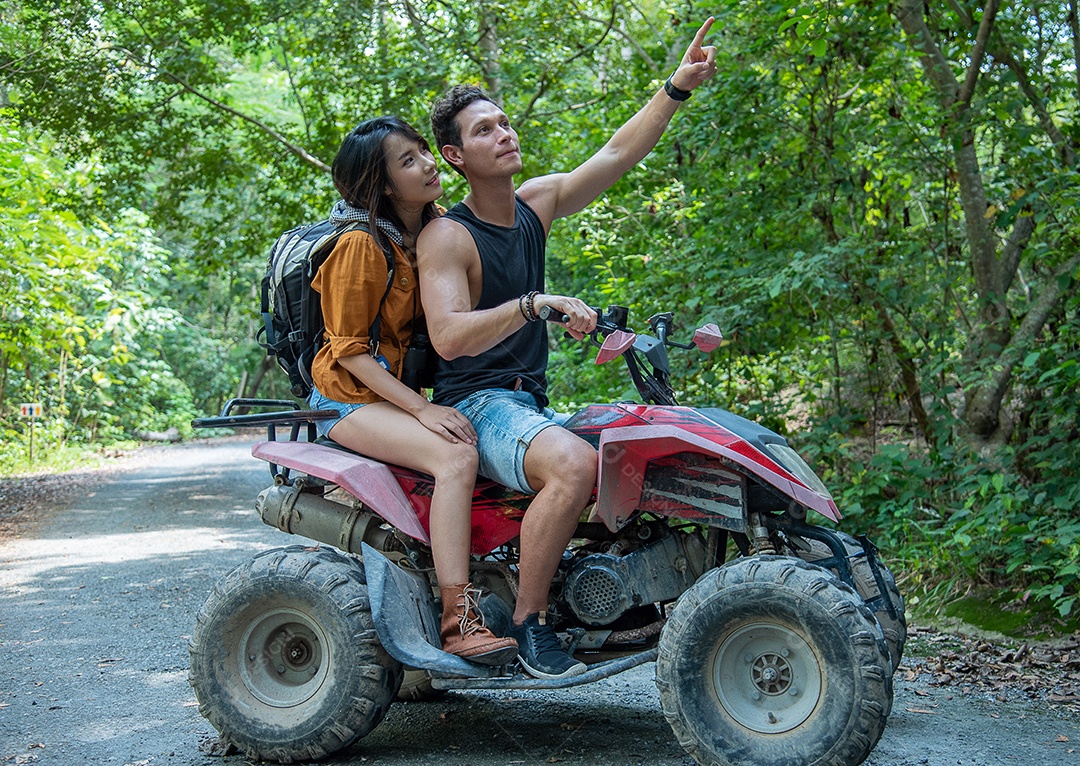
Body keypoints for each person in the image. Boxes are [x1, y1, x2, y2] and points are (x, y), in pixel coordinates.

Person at [416, 20, 717, 679]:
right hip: (479, 404)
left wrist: (676, 86)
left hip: (529, 403)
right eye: (484, 130)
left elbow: (616, 154)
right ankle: (530, 624)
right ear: (454, 156)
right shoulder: (448, 237)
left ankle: (619, 595)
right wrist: (533, 304)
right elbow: (448, 336)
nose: (505, 134)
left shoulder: (536, 204)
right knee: (576, 465)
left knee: (639, 444)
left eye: (504, 122)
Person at [308, 116, 518, 665]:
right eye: (408, 161)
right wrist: (423, 409)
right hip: (347, 398)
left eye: (423, 150)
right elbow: (349, 351)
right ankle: (458, 620)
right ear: (381, 186)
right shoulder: (359, 244)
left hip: (393, 395)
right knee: (455, 455)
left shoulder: (432, 231)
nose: (428, 163)